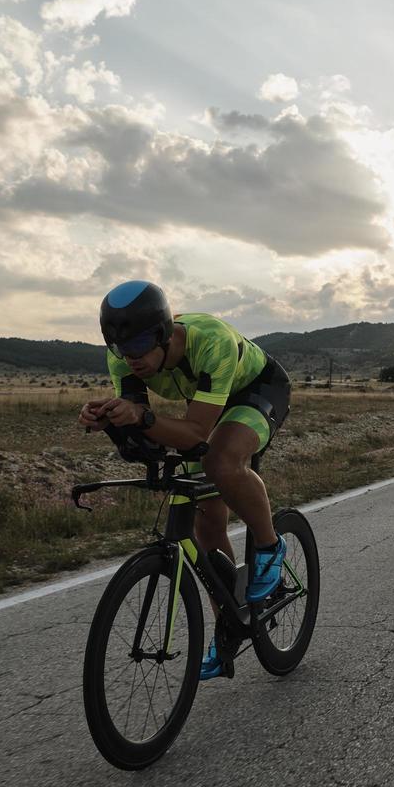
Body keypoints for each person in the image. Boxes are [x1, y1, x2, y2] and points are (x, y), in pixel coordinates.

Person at [78, 280, 292, 679]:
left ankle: (269, 547)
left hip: (256, 390)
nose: (132, 357)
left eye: (141, 344)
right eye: (120, 347)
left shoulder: (211, 341)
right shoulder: (124, 358)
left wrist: (142, 417)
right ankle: (230, 622)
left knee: (223, 461)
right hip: (205, 406)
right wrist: (109, 421)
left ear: (163, 332)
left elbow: (194, 434)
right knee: (208, 520)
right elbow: (143, 429)